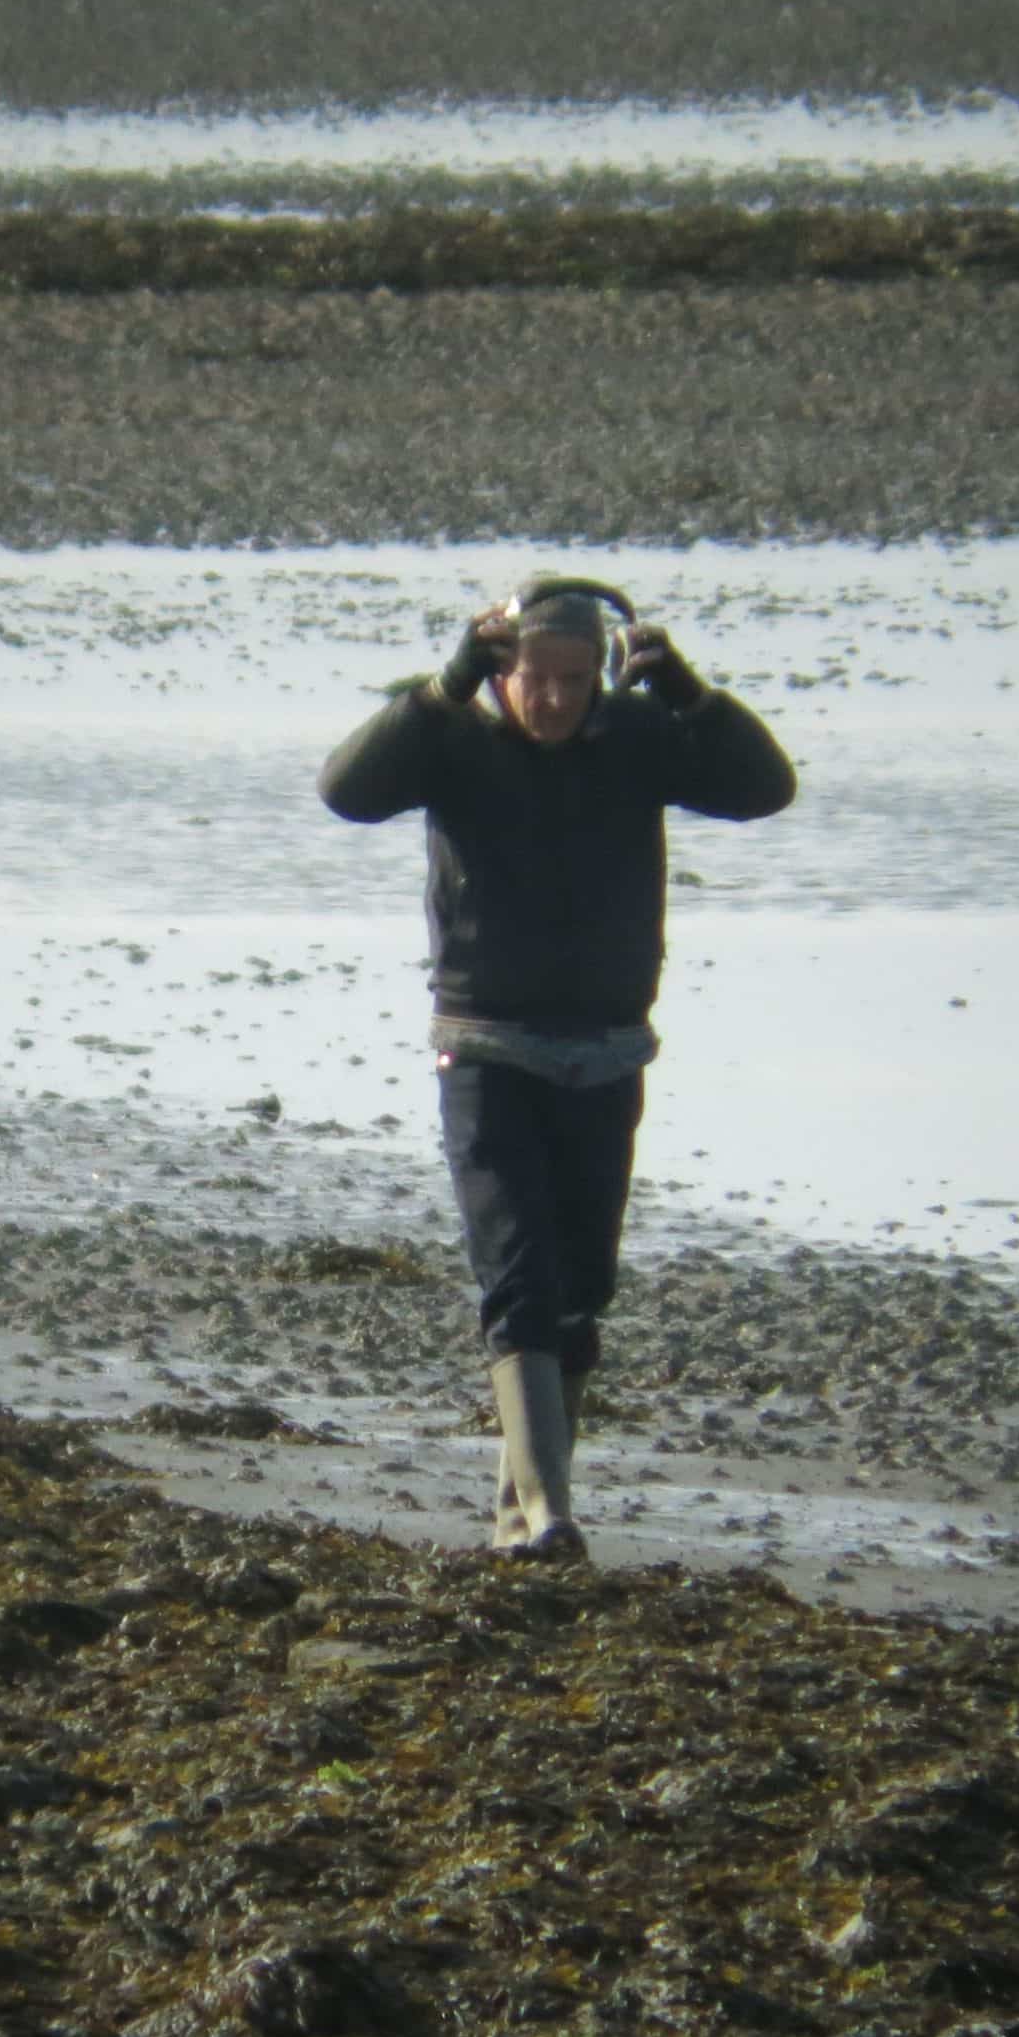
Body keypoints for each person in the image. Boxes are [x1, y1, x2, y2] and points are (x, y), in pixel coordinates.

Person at [318, 576, 796, 1561]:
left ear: (603, 673)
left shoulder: (636, 740)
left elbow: (765, 789)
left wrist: (692, 697)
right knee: (521, 1277)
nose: (553, 699)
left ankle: (519, 1517)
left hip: (607, 1048)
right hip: (485, 1046)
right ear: (507, 667)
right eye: (537, 678)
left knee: (580, 1290)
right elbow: (345, 791)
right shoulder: (453, 738)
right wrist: (443, 686)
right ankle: (547, 1514)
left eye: (576, 680)